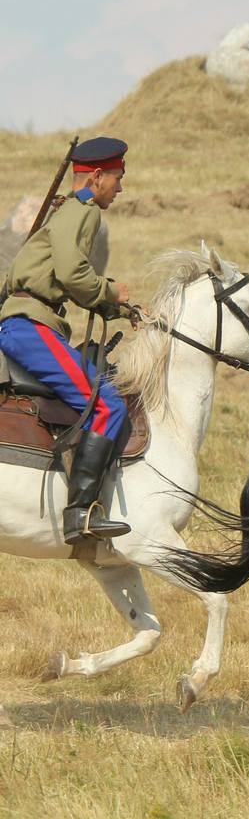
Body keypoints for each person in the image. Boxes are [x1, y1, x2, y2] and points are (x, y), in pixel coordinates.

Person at [0, 137, 135, 543]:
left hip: (28, 322)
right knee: (107, 405)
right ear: (96, 177)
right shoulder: (84, 212)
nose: (120, 188)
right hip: (30, 327)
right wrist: (112, 293)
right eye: (118, 178)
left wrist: (117, 309)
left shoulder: (65, 210)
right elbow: (74, 273)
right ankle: (81, 515)